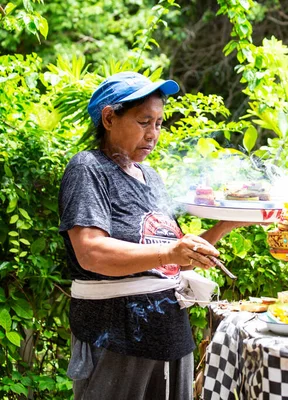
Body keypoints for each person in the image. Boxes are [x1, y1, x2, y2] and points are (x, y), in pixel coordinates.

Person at [59, 71, 248, 399]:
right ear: (109, 118)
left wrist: (226, 224)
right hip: (117, 339)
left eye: (159, 123)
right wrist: (172, 253)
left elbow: (173, 260)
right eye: (144, 121)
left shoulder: (150, 176)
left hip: (170, 337)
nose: (153, 134)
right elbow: (91, 252)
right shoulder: (88, 168)